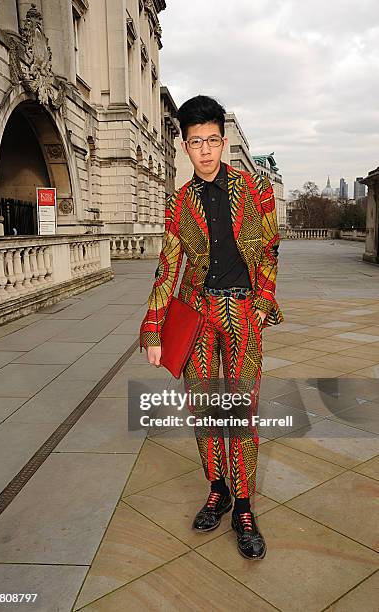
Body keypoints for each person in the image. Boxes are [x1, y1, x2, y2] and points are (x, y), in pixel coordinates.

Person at [139, 95, 284, 560]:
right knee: (203, 411)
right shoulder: (178, 204)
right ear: (183, 145)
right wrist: (154, 329)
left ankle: (243, 506)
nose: (205, 150)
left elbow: (269, 247)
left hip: (242, 315)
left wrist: (263, 301)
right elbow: (167, 266)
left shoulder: (254, 188)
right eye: (195, 141)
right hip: (199, 317)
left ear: (223, 141)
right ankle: (217, 489)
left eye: (213, 140)